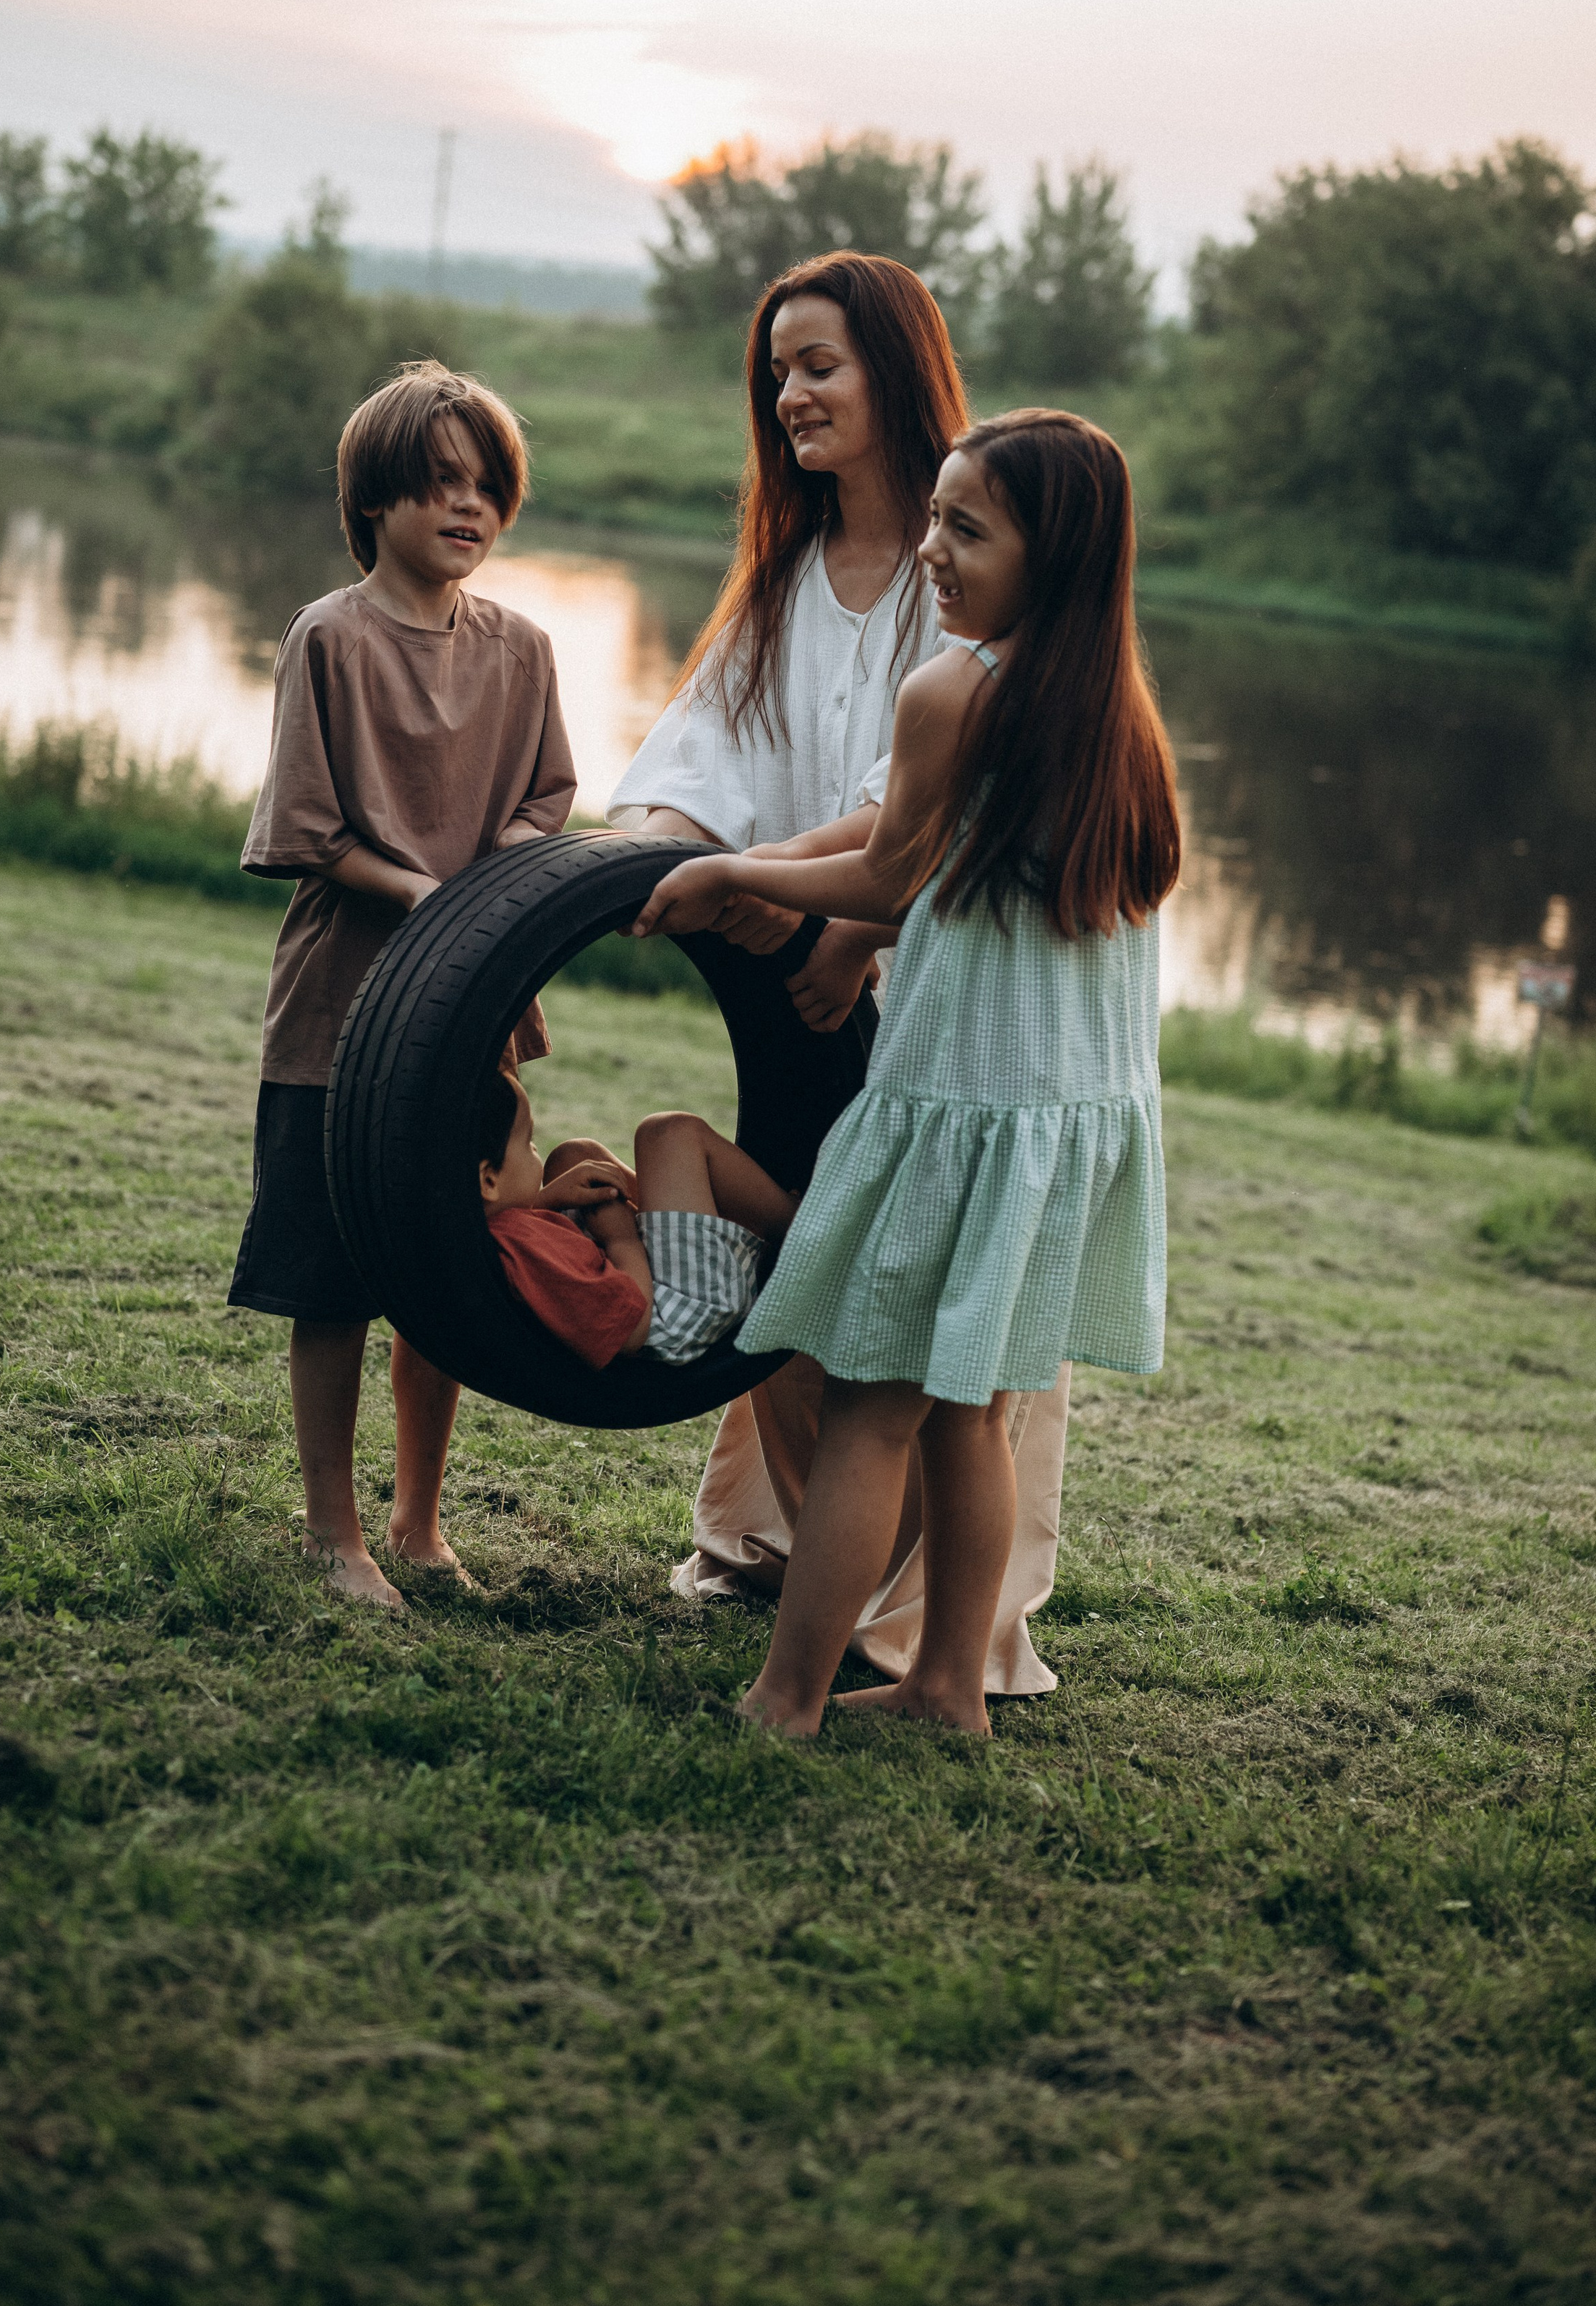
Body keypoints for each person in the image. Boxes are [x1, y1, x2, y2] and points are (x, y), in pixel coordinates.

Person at [634, 409, 1179, 1733]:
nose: (931, 548)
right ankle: (947, 1687)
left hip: (963, 1111)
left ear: (1054, 554)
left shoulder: (953, 693)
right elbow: (928, 862)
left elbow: (887, 871)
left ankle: (788, 1697)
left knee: (875, 1407)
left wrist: (729, 869)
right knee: (973, 1414)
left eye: (967, 528)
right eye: (934, 515)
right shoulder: (1117, 719)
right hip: (1067, 1121)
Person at [608, 252, 1071, 1695]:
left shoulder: (977, 570)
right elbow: (699, 755)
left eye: (819, 365)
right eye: (775, 372)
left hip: (942, 998)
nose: (790, 393)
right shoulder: (786, 577)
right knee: (813, 1267)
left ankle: (929, 1630)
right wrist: (657, 851)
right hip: (804, 980)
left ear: (895, 370)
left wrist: (845, 918)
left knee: (928, 1331)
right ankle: (772, 1546)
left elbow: (927, 807)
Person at [229, 362, 576, 1612]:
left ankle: (421, 1527)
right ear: (374, 500)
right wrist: (433, 898)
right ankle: (336, 1535)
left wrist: (506, 883)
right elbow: (310, 828)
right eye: (438, 487)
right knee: (333, 1281)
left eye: (487, 487)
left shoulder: (526, 650)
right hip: (343, 1013)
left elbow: (546, 802)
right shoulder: (331, 637)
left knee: (444, 1276)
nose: (467, 508)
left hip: (471, 1016)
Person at [475, 1072, 795, 1367]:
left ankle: (725, 1220)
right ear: (489, 1181)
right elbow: (630, 1333)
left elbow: (514, 1228)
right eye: (529, 1143)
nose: (536, 1151)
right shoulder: (527, 1248)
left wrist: (549, 1198)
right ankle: (804, 1224)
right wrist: (622, 1239)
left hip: (644, 1286)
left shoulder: (489, 1230)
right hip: (675, 1310)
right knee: (668, 1132)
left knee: (573, 1155)